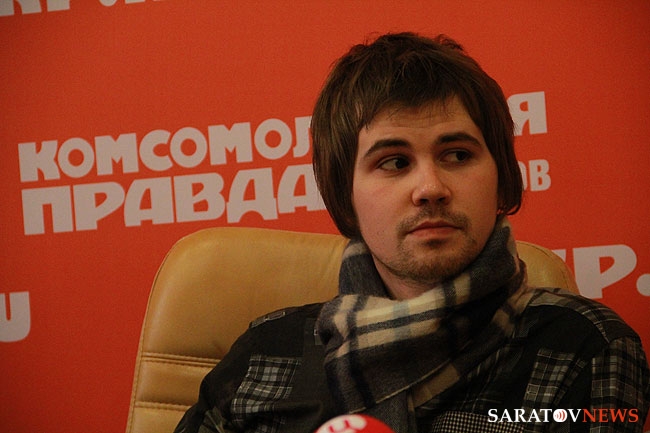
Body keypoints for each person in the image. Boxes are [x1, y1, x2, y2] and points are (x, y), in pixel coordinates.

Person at [174, 32, 650, 433]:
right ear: (345, 195)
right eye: (394, 162)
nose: (430, 188)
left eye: (457, 155)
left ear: (502, 177)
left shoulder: (586, 347)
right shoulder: (263, 351)